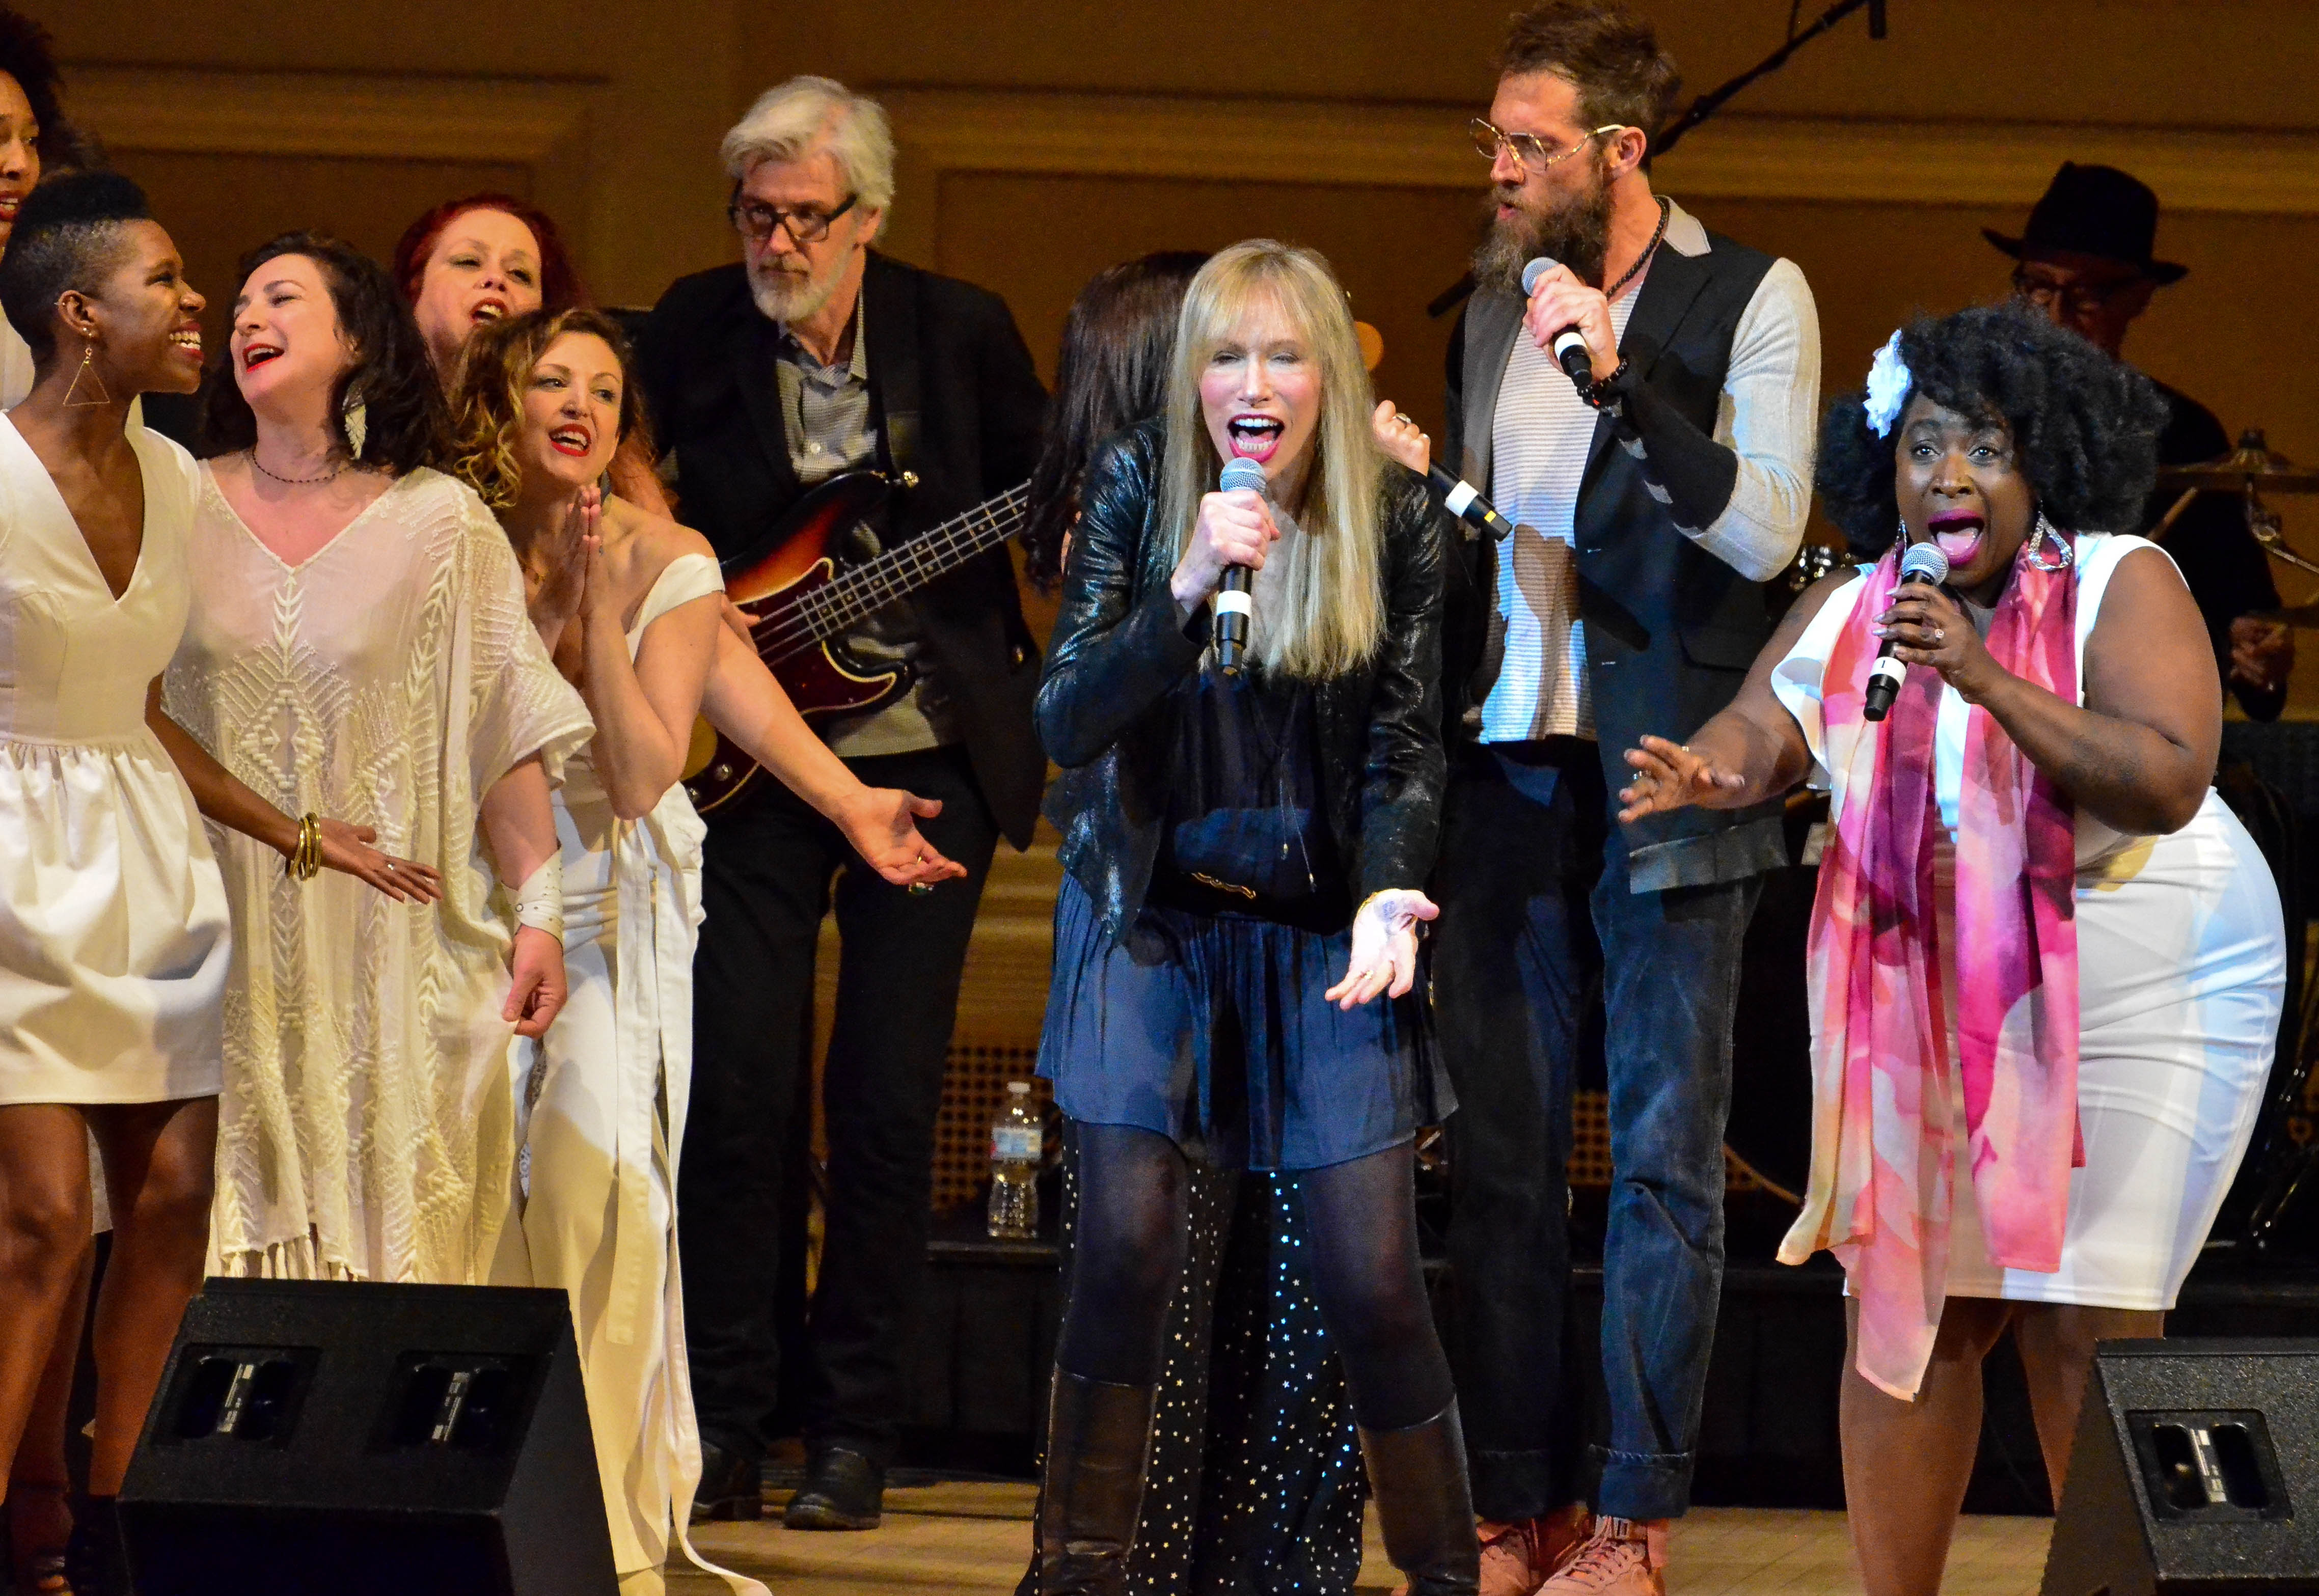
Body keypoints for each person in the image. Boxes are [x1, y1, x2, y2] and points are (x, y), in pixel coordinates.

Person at [1618, 304, 2286, 1596]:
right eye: (1923, 443)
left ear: (2044, 461)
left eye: (1983, 442)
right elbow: (1770, 722)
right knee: (1913, 1316)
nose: (1949, 472)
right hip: (1931, 973)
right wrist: (1715, 769)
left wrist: (1983, 676)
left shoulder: (2118, 575)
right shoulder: (1863, 603)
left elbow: (2164, 776)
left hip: (2148, 944)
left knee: (2084, 1308)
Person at [449, 304, 963, 1596]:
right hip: (467, 887)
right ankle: (452, 1492)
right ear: (501, 411)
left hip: (611, 886)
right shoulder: (449, 539)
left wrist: (590, 614)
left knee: (594, 1182)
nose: (581, 406)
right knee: (462, 1181)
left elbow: (639, 774)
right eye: (552, 382)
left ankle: (593, 1516)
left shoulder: (665, 554)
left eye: (608, 393)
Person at [1428, 5, 1820, 1592]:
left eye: (1530, 146)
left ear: (1619, 153)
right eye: (1492, 142)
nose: (1503, 171)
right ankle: (1509, 1498)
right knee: (1503, 1157)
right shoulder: (1480, 305)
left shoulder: (1748, 299)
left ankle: (1632, 1517)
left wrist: (1615, 375)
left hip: (1669, 773)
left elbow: (1765, 532)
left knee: (1661, 1156)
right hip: (1507, 767)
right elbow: (1491, 523)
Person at [0, 173, 428, 1596]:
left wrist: (303, 828)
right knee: (46, 1218)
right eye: (170, 282)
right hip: (11, 861)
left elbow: (137, 708)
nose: (200, 305)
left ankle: (112, 1534)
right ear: (79, 313)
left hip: (145, 856)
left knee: (174, 1193)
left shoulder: (179, 477)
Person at [636, 74, 1048, 1529]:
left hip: (923, 750)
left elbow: (1049, 502)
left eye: (804, 217)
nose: (776, 242)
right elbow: (629, 493)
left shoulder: (960, 327)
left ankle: (855, 1428)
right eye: (755, 214)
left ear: (865, 218)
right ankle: (730, 1415)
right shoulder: (691, 322)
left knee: (884, 1104)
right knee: (736, 1097)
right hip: (749, 760)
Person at [1033, 238, 1471, 1596]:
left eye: (1284, 353)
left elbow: (1405, 746)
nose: (1253, 380)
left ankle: (1448, 1573)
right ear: (1192, 379)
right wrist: (1177, 596)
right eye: (1226, 354)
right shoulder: (1134, 488)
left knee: (1375, 1271)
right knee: (1126, 1242)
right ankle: (1076, 1570)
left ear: (1328, 376)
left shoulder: (1393, 518)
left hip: (1315, 928)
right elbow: (1064, 719)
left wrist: (1391, 896)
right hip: (1150, 918)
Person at [167, 231, 593, 1288]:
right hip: (217, 936)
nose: (246, 321)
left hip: (385, 951)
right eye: (239, 309)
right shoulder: (172, 500)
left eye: (280, 300)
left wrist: (539, 914)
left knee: (385, 1255)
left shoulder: (438, 523)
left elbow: (499, 729)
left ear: (357, 339)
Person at [1988, 161, 2291, 719]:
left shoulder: (2183, 434)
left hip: (2132, 753)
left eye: (2085, 296)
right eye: (2036, 288)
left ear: (2139, 297)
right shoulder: (1958, 417)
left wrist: (2260, 660)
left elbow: (2248, 650)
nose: (2053, 317)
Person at [394, 192, 670, 515]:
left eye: (519, 274)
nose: (495, 280)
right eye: (468, 262)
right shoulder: (360, 415)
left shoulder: (579, 433)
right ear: (413, 290)